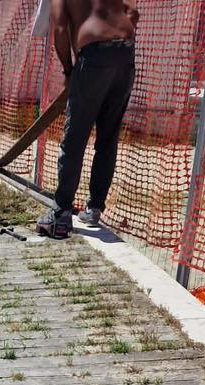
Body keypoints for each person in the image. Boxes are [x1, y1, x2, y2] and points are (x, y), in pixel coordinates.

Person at [37, 0, 138, 238]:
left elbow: (60, 29)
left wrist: (69, 70)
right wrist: (116, 37)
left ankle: (61, 212)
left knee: (75, 138)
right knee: (108, 136)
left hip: (94, 57)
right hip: (125, 54)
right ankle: (94, 209)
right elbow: (133, 11)